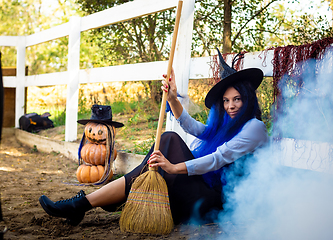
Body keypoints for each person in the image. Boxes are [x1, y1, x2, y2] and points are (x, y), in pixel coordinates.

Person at [39, 49, 268, 226]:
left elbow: (218, 158)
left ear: (247, 98)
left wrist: (173, 167)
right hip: (202, 194)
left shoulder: (254, 128)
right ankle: (86, 203)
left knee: (168, 140)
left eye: (236, 99)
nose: (230, 106)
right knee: (167, 141)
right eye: (226, 101)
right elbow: (197, 129)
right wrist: (172, 99)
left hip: (219, 205)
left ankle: (84, 203)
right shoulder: (227, 125)